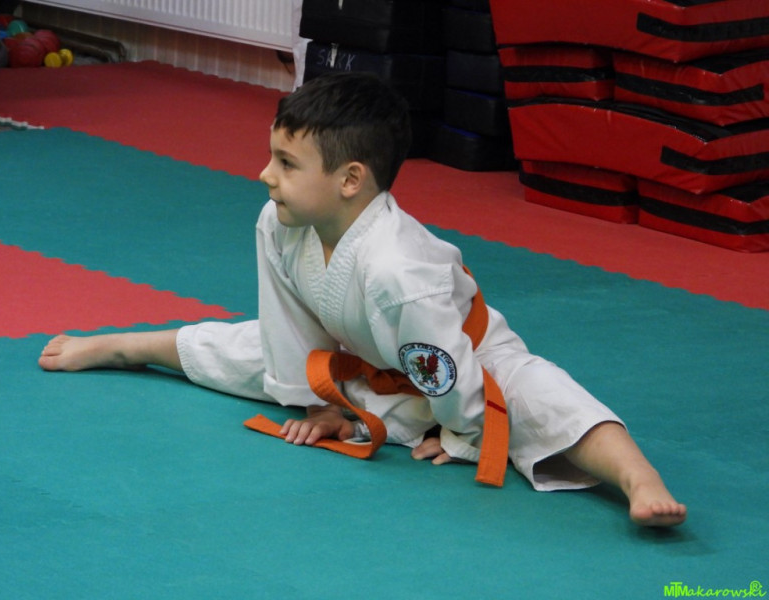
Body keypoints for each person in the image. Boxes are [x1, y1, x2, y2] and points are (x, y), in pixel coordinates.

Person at [39, 72, 686, 527]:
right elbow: (288, 327)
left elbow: (442, 365)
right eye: (272, 157)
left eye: (286, 163)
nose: (266, 175)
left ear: (351, 180)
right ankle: (124, 345)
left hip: (470, 365)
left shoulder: (400, 269)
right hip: (362, 359)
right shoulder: (278, 224)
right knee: (245, 345)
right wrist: (316, 402)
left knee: (545, 396)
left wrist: (461, 430)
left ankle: (639, 478)